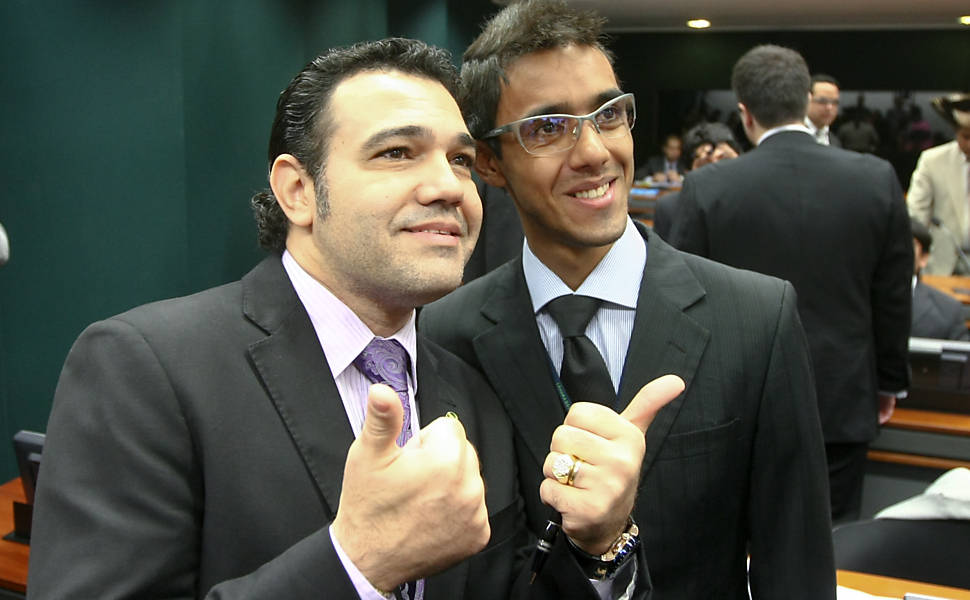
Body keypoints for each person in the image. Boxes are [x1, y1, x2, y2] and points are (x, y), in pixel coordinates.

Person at [28, 38, 661, 600]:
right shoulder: (145, 370)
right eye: (395, 152)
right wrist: (355, 565)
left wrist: (599, 547)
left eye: (461, 160)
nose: (448, 186)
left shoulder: (472, 391)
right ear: (298, 191)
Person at [421, 3, 836, 598]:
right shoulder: (445, 332)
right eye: (547, 127)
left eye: (609, 114)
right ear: (490, 163)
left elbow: (794, 567)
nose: (593, 151)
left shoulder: (755, 317)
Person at [668, 45, 912, 524]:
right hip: (842, 395)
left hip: (736, 399)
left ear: (744, 112)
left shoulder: (709, 188)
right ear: (807, 100)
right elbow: (893, 294)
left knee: (738, 542)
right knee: (836, 539)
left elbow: (680, 300)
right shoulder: (877, 179)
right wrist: (889, 382)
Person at [907, 93, 970, 275]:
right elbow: (917, 212)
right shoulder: (932, 160)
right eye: (966, 137)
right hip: (940, 265)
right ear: (956, 133)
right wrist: (917, 254)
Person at [652, 122, 740, 239]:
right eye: (706, 165)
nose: (715, 170)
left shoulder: (745, 204)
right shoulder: (668, 208)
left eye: (723, 161)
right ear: (689, 170)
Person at [910, 218, 970, 340]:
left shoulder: (949, 312)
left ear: (923, 258)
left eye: (909, 244)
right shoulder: (863, 299)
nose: (897, 250)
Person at [804, 73, 842, 147]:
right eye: (822, 101)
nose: (829, 107)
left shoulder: (835, 142)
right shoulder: (791, 134)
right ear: (807, 100)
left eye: (835, 102)